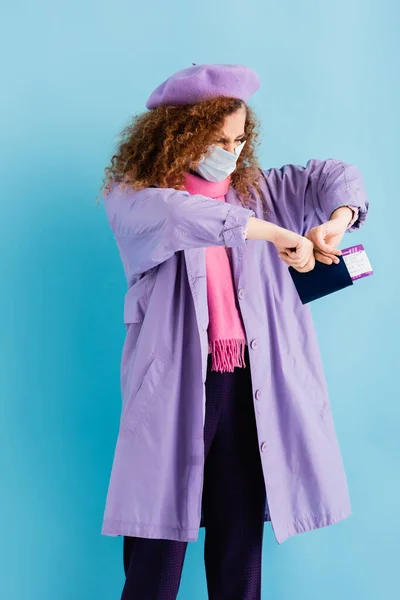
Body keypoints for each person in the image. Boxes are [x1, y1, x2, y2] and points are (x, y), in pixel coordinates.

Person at [99, 63, 369, 600]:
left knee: (240, 534)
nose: (232, 149)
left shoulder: (259, 190)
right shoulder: (137, 197)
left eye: (240, 137)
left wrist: (336, 220)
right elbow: (185, 216)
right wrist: (269, 232)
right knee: (158, 539)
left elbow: (335, 174)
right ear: (180, 135)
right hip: (179, 384)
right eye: (219, 138)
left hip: (249, 384)